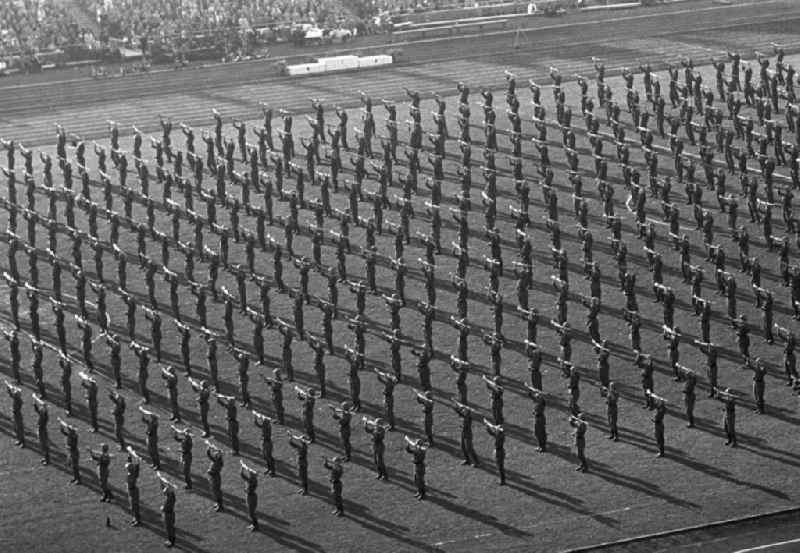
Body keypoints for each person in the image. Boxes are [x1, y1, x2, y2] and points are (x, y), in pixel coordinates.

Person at [452, 400, 479, 466]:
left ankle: (476, 462)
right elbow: (458, 411)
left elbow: (461, 413)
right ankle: (467, 460)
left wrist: (459, 407)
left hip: (468, 434)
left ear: (467, 413)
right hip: (463, 433)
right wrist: (455, 404)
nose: (463, 411)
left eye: (464, 411)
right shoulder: (464, 415)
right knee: (463, 447)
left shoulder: (468, 417)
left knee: (469, 449)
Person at [157, 472, 177, 547]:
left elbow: (165, 508)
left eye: (166, 491)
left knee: (169, 528)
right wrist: (160, 480)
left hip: (168, 515)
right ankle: (171, 539)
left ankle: (171, 541)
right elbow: (163, 489)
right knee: (169, 528)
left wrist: (162, 508)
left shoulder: (171, 499)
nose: (164, 492)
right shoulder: (170, 495)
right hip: (168, 514)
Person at [483, 418, 506, 485]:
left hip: (500, 452)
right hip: (499, 451)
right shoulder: (499, 435)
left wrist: (493, 427)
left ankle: (502, 481)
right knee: (499, 467)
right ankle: (502, 480)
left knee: (500, 467)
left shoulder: (500, 436)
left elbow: (494, 433)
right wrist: (487, 426)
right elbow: (491, 433)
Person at [253, 410, 276, 475]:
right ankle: (269, 469)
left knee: (269, 457)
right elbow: (257, 424)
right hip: (264, 442)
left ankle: (272, 471)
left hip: (267, 443)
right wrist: (256, 417)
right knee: (265, 456)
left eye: (263, 421)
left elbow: (258, 424)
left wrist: (256, 416)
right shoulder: (266, 425)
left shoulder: (266, 426)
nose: (262, 421)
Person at [59, 417, 81, 484]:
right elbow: (63, 432)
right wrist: (61, 425)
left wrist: (68, 447)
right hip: (71, 452)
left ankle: (78, 480)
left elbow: (73, 446)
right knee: (73, 466)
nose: (68, 430)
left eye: (70, 429)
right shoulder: (70, 434)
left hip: (74, 453)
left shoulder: (73, 436)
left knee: (75, 467)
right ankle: (75, 477)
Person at [139, 404, 161, 469]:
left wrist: (147, 432)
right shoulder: (151, 422)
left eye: (152, 417)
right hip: (149, 439)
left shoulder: (155, 423)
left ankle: (158, 465)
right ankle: (154, 463)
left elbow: (151, 432)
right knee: (150, 452)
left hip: (153, 439)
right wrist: (142, 414)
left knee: (154, 452)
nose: (151, 417)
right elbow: (144, 420)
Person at [240, 460, 259, 531]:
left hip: (252, 497)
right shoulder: (251, 479)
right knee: (250, 512)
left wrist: (244, 467)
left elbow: (244, 476)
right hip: (249, 496)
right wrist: (242, 467)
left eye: (251, 474)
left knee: (251, 513)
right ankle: (253, 524)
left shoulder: (252, 481)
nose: (250, 474)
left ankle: (256, 525)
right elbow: (242, 475)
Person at [205, 440, 225, 511]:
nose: (215, 454)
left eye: (216, 454)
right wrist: (209, 448)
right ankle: (217, 503)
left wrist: (209, 447)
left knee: (216, 491)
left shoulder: (217, 461)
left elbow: (211, 455)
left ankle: (220, 506)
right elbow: (211, 455)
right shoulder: (217, 459)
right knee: (214, 491)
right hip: (213, 476)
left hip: (215, 477)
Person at [125, 447, 142, 526]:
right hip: (131, 491)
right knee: (132, 506)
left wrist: (137, 462)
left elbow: (132, 467)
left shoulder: (131, 476)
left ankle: (138, 520)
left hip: (133, 491)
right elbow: (132, 465)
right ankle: (135, 518)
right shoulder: (133, 472)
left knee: (135, 507)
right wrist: (129, 455)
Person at [32, 394, 50, 464]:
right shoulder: (42, 413)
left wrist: (35, 398)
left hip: (43, 431)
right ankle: (45, 457)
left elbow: (42, 405)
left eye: (42, 408)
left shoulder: (45, 416)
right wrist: (34, 400)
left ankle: (47, 460)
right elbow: (36, 409)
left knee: (44, 446)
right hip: (40, 430)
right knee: (42, 446)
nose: (41, 408)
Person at [6, 381, 24, 447]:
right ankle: (19, 439)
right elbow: (11, 394)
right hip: (14, 414)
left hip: (17, 415)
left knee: (20, 429)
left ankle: (22, 442)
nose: (14, 393)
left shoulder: (19, 400)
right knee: (15, 428)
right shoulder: (16, 398)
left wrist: (11, 387)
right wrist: (8, 387)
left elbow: (13, 393)